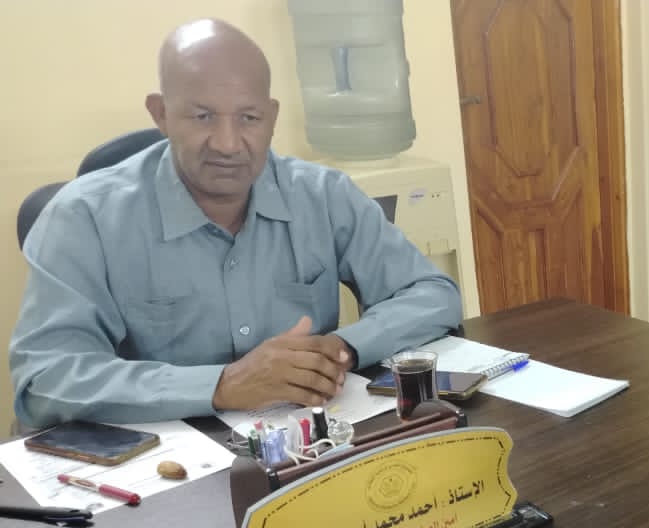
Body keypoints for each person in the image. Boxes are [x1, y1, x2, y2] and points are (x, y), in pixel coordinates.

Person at [9, 19, 462, 428]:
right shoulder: (83, 217)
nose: (227, 144)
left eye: (248, 118)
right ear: (161, 113)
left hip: (306, 442)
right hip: (166, 466)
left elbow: (432, 294)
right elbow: (45, 377)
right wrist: (222, 385)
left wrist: (339, 350)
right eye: (203, 116)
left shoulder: (322, 195)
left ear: (272, 117)